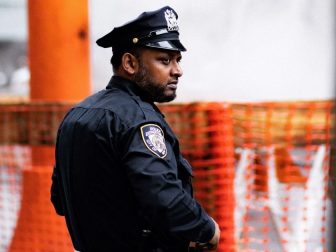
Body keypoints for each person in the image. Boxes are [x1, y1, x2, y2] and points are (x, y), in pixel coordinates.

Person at [51, 6, 220, 252]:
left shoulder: (77, 114)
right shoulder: (139, 120)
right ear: (129, 63)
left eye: (178, 60)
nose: (178, 70)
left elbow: (60, 200)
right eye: (165, 60)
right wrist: (207, 228)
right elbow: (164, 198)